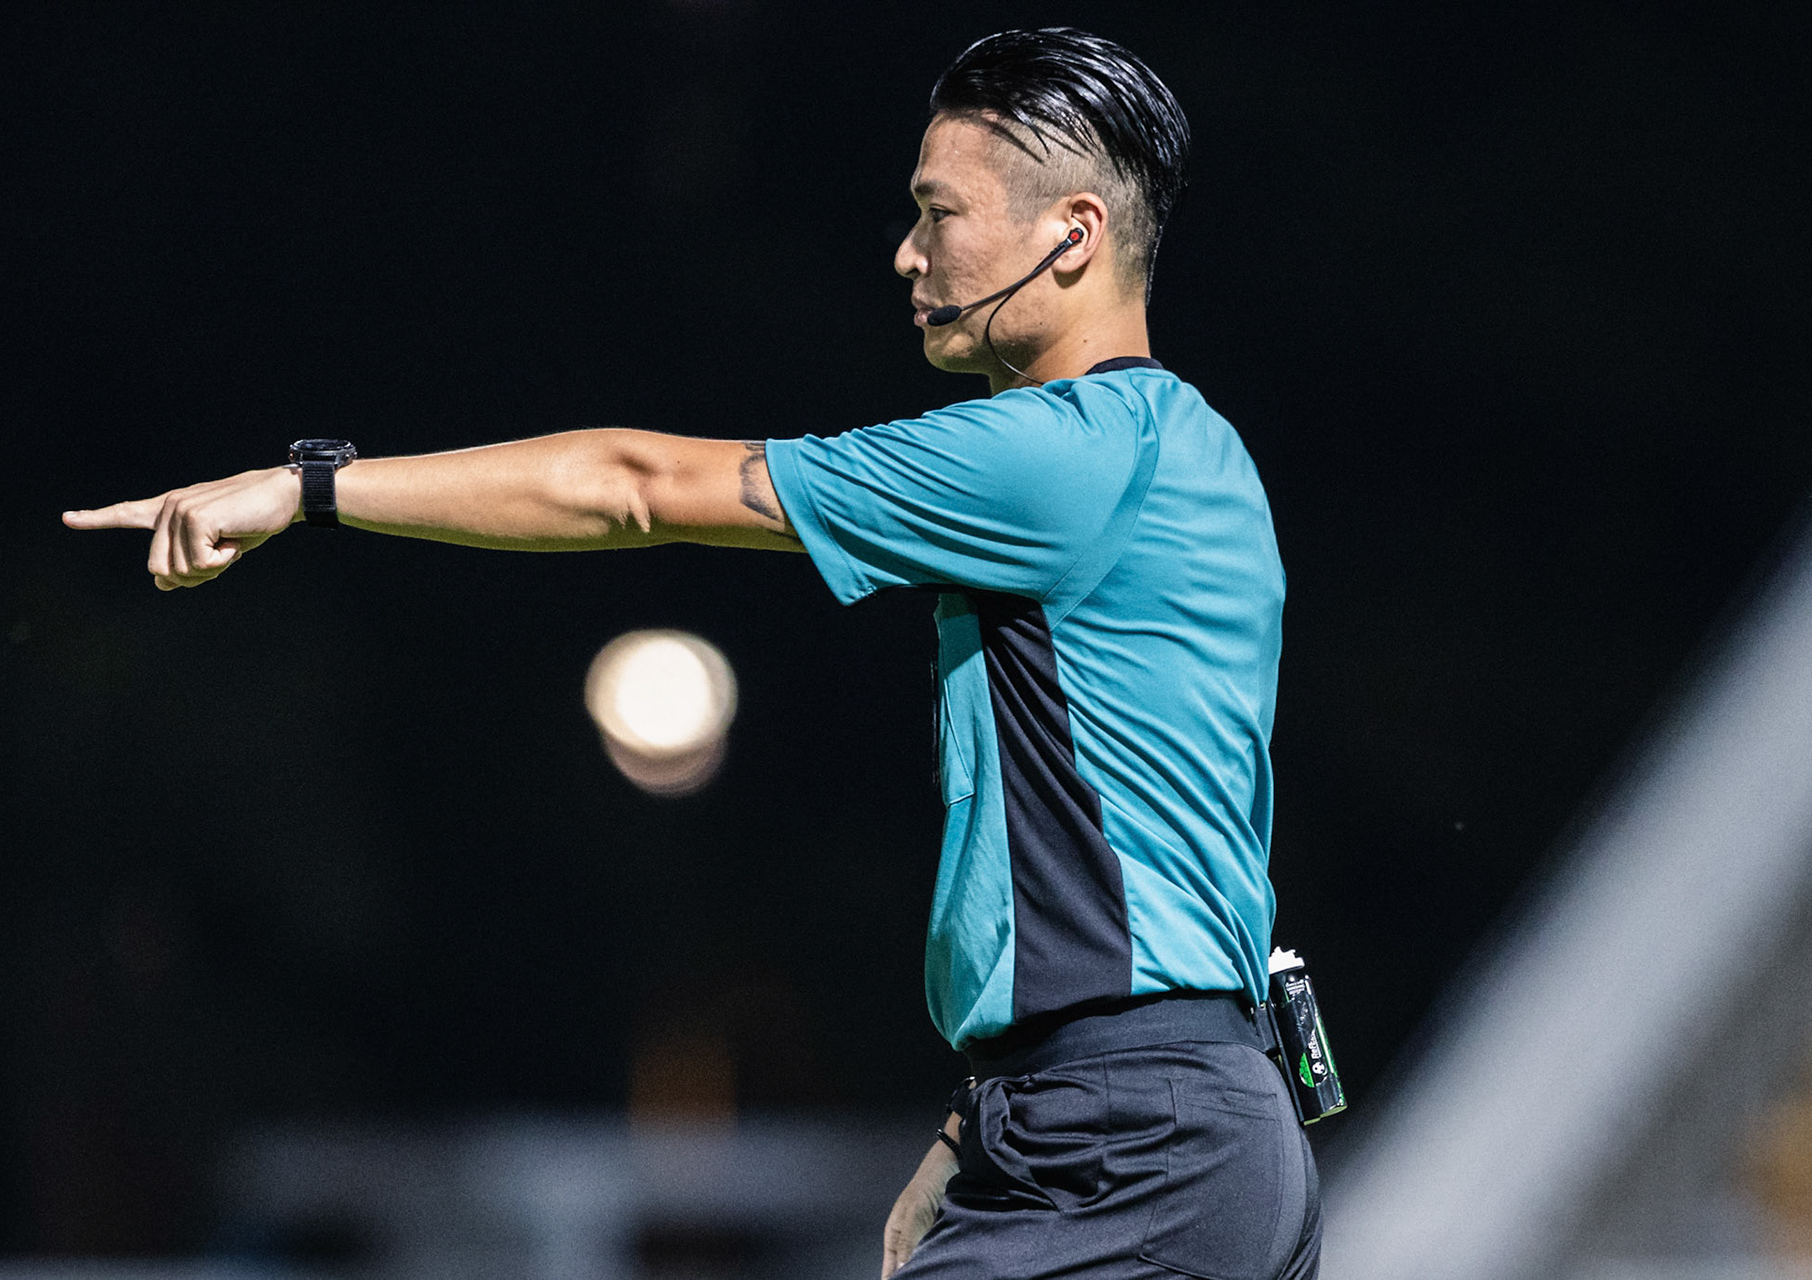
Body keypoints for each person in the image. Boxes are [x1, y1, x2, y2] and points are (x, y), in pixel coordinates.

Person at [66, 27, 1319, 1280]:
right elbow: (1167, 850)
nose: (909, 252)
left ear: (1073, 233)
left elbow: (634, 485)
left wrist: (311, 487)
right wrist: (981, 1113)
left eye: (940, 213)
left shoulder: (1057, 457)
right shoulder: (1201, 454)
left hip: (1126, 1143)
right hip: (1203, 1119)